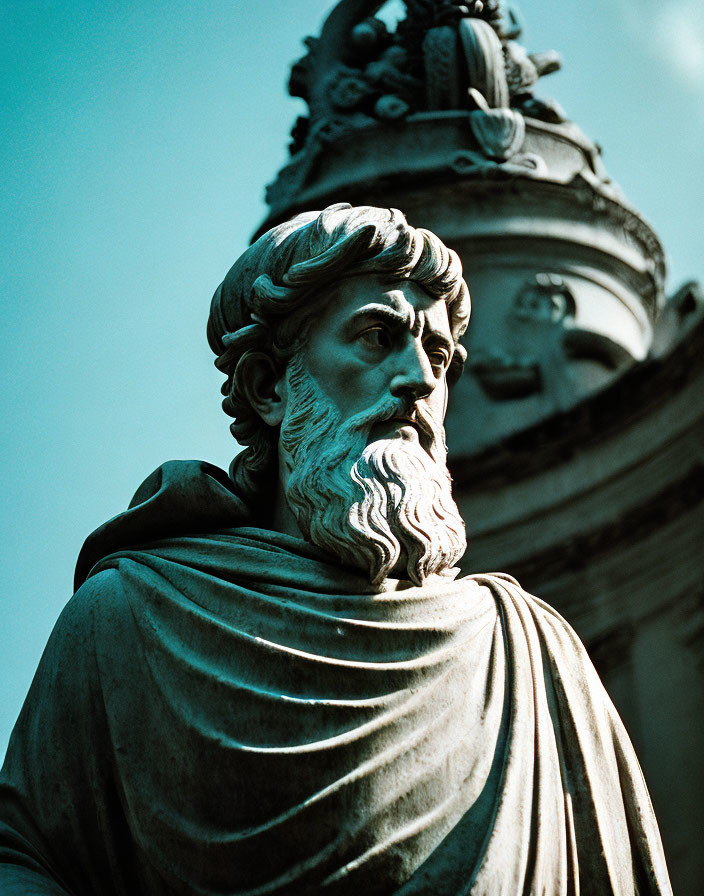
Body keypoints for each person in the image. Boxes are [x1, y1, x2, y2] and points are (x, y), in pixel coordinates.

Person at [0, 204, 672, 894]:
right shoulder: (131, 616)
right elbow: (24, 859)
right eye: (377, 337)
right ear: (269, 388)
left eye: (436, 354)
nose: (418, 380)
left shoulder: (532, 652)